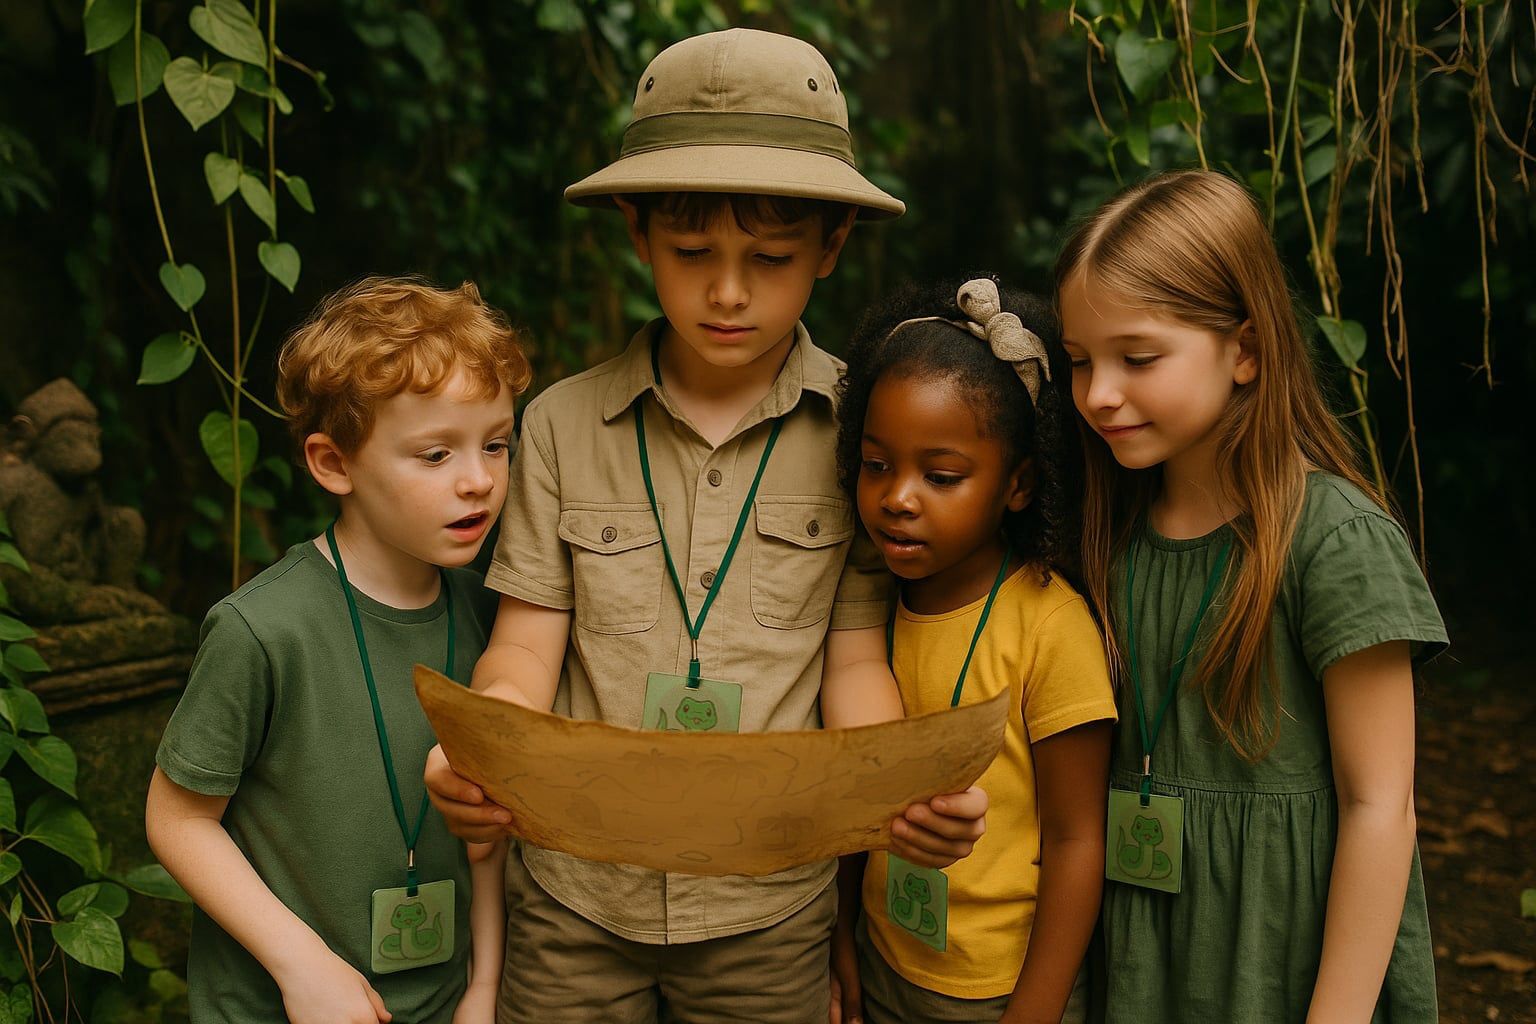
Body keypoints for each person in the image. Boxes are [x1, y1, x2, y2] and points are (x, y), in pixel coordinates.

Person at [421, 28, 986, 1024]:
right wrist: (482, 748)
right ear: (638, 234)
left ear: (830, 247)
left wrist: (904, 790)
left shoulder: (864, 428)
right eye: (692, 254)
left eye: (769, 257)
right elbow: (524, 648)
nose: (728, 290)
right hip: (573, 895)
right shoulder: (558, 424)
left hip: (770, 904)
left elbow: (853, 661)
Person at [1055, 169, 1447, 1021]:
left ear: (1246, 349)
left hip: (1289, 966)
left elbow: (1383, 805)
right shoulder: (1110, 536)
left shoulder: (1334, 542)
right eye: (1080, 361)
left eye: (1138, 357)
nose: (1097, 394)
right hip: (1145, 957)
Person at [146, 277, 530, 1024]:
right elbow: (177, 820)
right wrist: (303, 965)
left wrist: (484, 986)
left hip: (444, 1003)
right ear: (333, 464)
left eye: (495, 445)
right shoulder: (262, 629)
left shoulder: (491, 616)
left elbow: (487, 827)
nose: (478, 480)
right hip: (284, 1004)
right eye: (434, 455)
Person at [828, 278, 1116, 1024]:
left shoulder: (1051, 629)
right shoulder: (871, 615)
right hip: (889, 961)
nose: (899, 497)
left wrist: (1037, 1008)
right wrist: (844, 939)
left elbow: (1078, 838)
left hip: (1001, 991)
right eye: (876, 464)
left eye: (942, 475)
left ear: (1018, 484)